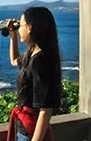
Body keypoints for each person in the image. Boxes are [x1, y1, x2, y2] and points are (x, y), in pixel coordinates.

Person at [6, 7, 62, 141]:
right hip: (25, 127)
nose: (19, 29)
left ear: (30, 27)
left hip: (31, 131)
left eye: (21, 25)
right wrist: (13, 37)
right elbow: (14, 61)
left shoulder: (39, 62)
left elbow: (45, 110)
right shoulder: (33, 54)